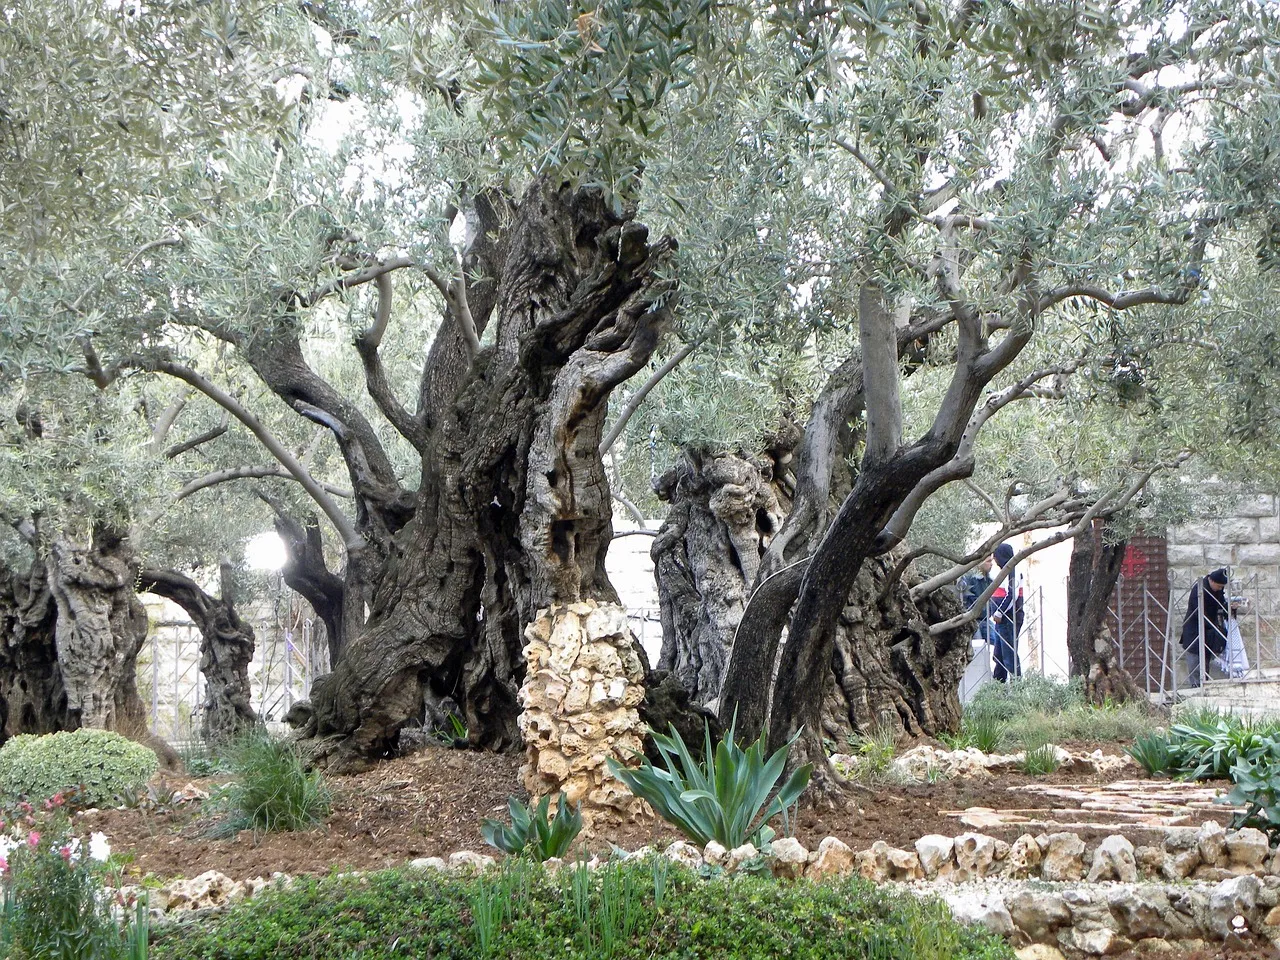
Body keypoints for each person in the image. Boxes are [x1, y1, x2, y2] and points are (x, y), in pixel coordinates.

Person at [1180, 568, 1230, 688]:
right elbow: (1199, 612)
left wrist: (1228, 608)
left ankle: (1204, 685)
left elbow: (1221, 605)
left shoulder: (1218, 589)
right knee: (1195, 661)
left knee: (1206, 661)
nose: (1220, 589)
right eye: (1218, 586)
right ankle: (1196, 687)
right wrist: (1213, 626)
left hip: (1208, 631)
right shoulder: (1199, 589)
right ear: (1211, 581)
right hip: (1194, 630)